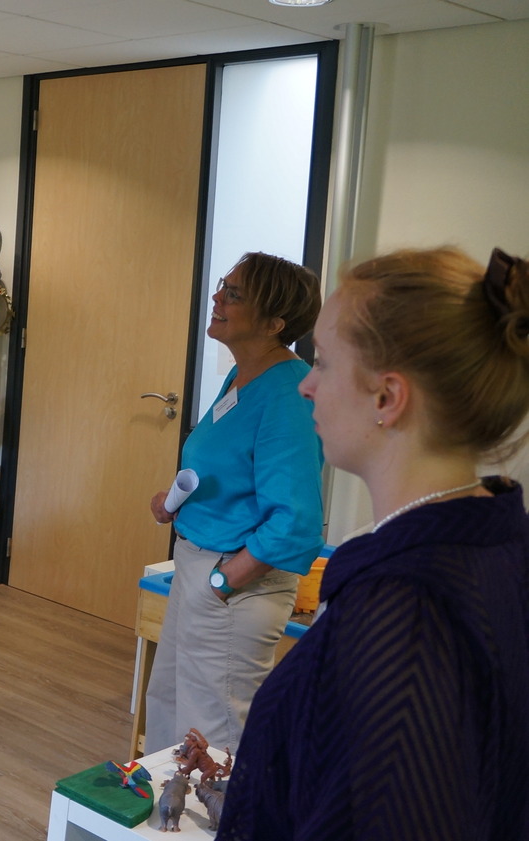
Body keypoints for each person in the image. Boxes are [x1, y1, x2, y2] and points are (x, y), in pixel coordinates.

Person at [219, 247, 529, 840]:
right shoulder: (497, 541)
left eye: (323, 363)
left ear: (387, 397)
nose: (307, 386)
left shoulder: (406, 612)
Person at [145, 252, 324, 753]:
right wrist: (179, 502)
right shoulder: (242, 377)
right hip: (198, 568)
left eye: (235, 293)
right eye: (223, 285)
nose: (217, 297)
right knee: (169, 710)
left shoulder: (288, 394)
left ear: (274, 323)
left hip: (233, 584)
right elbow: (232, 469)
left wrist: (223, 583)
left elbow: (296, 522)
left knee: (211, 741)